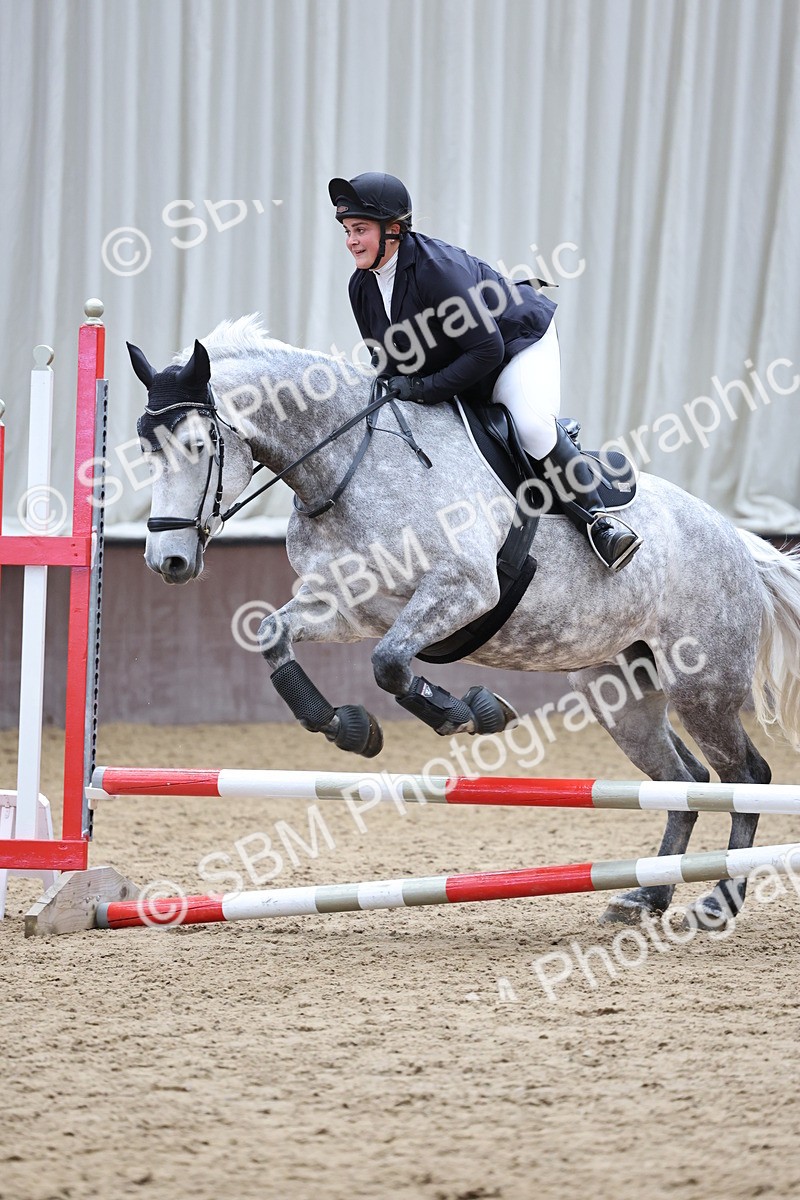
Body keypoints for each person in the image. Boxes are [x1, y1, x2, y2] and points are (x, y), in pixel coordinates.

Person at [329, 172, 642, 571]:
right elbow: (388, 361)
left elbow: (488, 350)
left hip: (515, 346)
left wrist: (424, 389)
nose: (351, 241)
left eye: (360, 230)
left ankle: (599, 523)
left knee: (530, 427)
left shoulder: (436, 271)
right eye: (347, 230)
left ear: (393, 229)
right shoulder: (361, 286)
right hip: (466, 358)